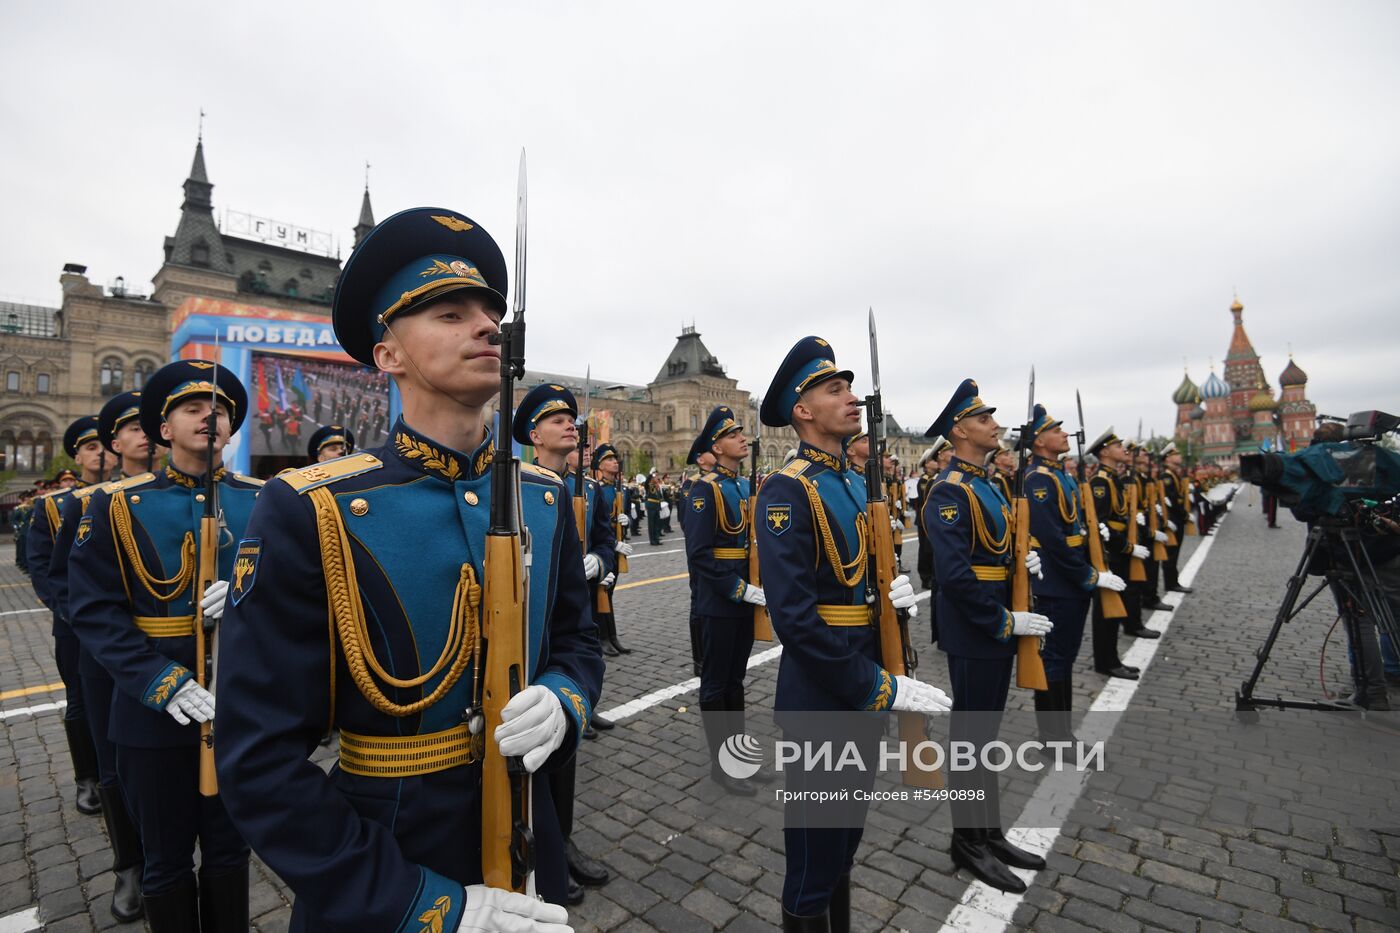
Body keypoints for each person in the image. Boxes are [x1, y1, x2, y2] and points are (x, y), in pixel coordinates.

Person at [214, 206, 596, 932]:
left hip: (524, 835)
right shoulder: (310, 508)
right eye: (450, 313)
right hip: (383, 868)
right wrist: (425, 904)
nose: (486, 325)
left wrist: (564, 697)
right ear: (387, 354)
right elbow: (260, 760)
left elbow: (577, 642)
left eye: (490, 311)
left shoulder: (544, 498)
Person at [756, 337, 951, 932]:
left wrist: (888, 600)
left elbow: (855, 582)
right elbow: (795, 618)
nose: (853, 398)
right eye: (835, 390)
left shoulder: (849, 481)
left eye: (850, 387)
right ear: (803, 411)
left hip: (864, 686)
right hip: (824, 698)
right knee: (814, 863)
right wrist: (875, 686)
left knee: (844, 847)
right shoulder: (789, 488)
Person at [69, 361, 262, 931]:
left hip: (238, 705)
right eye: (193, 408)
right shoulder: (115, 505)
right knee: (165, 859)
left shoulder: (268, 501)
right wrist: (161, 681)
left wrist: (254, 599)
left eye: (221, 409)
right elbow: (94, 611)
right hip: (152, 711)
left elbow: (305, 597)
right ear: (164, 429)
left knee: (230, 852)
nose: (211, 416)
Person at [922, 378, 1049, 895]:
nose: (995, 425)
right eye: (984, 419)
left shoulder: (987, 484)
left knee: (985, 739)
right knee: (972, 741)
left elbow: (992, 551)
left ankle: (988, 832)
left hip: (994, 620)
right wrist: (1003, 621)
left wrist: (1022, 560)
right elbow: (953, 574)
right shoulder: (949, 491)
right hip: (976, 628)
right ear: (959, 431)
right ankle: (967, 841)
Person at [49, 392, 152, 921]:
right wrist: (98, 630)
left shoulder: (177, 495)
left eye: (149, 426)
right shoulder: (88, 502)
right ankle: (128, 865)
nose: (144, 436)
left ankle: (169, 852)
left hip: (168, 648)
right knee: (114, 761)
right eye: (131, 429)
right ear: (114, 443)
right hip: (107, 653)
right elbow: (65, 580)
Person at [513, 383, 615, 903]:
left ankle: (563, 841)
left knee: (564, 747)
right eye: (557, 420)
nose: (570, 426)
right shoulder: (514, 485)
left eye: (571, 419)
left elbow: (604, 536)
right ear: (534, 434)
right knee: (529, 754)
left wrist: (602, 560)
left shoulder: (587, 487)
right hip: (528, 626)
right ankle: (538, 848)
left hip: (568, 626)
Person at [1021, 405, 1126, 743]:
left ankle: (1062, 731)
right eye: (1056, 430)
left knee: (1064, 657)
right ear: (1039, 441)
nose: (1065, 434)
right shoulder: (1038, 479)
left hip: (1069, 584)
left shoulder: (1061, 474)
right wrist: (1088, 576)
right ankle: (1052, 736)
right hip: (1056, 584)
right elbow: (1052, 540)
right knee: (1053, 659)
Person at [681, 406, 768, 796]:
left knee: (736, 678)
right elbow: (699, 554)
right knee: (716, 682)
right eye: (734, 435)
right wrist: (738, 589)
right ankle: (723, 767)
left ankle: (740, 760)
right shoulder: (705, 489)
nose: (743, 438)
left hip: (743, 599)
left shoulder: (740, 486)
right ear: (716, 446)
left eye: (742, 434)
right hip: (718, 601)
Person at [28, 416, 108, 818]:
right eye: (91, 447)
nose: (100, 453)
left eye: (103, 445)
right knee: (79, 701)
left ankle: (119, 771)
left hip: (119, 623)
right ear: (77, 455)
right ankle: (87, 778)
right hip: (75, 626)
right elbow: (42, 568)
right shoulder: (55, 505)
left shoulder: (127, 496)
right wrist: (71, 612)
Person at [1087, 428, 1149, 678]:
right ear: (1104, 452)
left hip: (1118, 551)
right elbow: (1100, 526)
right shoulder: (1100, 481)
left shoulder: (1112, 478)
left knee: (1114, 610)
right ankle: (1106, 661)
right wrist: (1128, 547)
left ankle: (1111, 658)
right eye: (1117, 446)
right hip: (1109, 554)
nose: (1123, 449)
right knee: (1106, 612)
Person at [591, 443, 633, 657]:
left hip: (616, 549)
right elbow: (597, 524)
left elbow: (623, 516)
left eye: (615, 459)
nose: (614, 462)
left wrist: (627, 520)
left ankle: (612, 636)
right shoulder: (597, 488)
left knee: (609, 592)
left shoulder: (621, 489)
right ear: (600, 465)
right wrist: (613, 542)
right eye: (609, 459)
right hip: (606, 548)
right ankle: (602, 638)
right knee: (601, 593)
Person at [679, 450, 716, 676]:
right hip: (701, 553)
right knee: (699, 601)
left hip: (723, 557)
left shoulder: (725, 482)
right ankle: (699, 658)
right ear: (700, 459)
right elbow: (687, 522)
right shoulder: (692, 484)